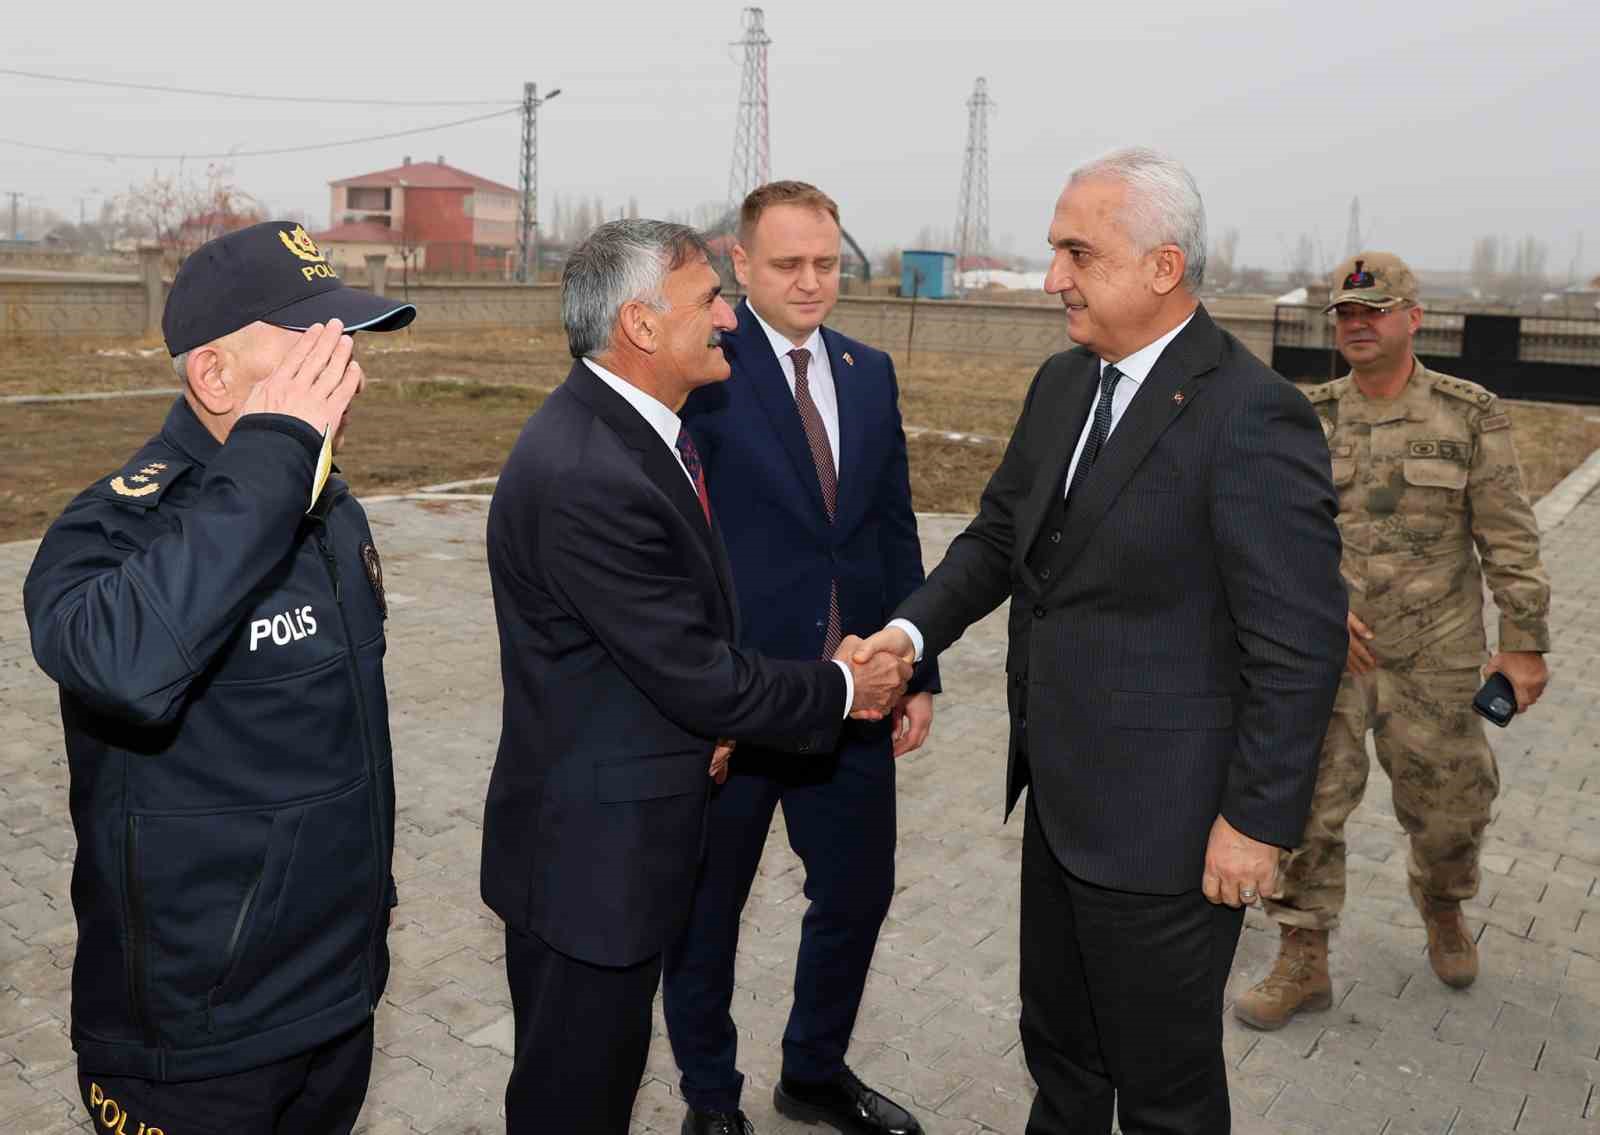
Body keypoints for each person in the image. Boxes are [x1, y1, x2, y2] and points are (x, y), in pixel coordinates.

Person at [853, 148, 1348, 1134]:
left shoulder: (1253, 414)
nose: (1053, 278)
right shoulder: (1064, 383)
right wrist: (907, 634)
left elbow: (1299, 646)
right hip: (1060, 798)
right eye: (1054, 251)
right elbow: (1000, 535)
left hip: (1171, 830)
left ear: (1163, 267)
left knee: (1163, 1088)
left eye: (1078, 253)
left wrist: (1256, 822)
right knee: (1063, 1053)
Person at [480, 218, 913, 1135]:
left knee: (595, 1086)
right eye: (709, 298)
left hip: (616, 835)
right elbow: (696, 672)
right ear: (640, 324)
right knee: (571, 1101)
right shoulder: (592, 471)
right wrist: (845, 688)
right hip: (588, 866)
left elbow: (655, 648)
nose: (726, 317)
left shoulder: (634, 435)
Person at [23, 221, 416, 1133]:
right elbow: (124, 662)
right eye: (315, 352)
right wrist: (276, 452)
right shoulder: (112, 531)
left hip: (335, 1001)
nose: (349, 378)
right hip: (195, 1047)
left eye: (348, 350)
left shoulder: (329, 511)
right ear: (214, 374)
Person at [662, 181, 938, 1135]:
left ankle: (813, 1072)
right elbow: (673, 536)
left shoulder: (868, 370)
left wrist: (918, 670)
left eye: (826, 262)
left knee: (857, 893)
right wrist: (696, 694)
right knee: (707, 912)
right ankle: (710, 1098)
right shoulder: (705, 366)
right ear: (740, 264)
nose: (812, 281)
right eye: (788, 264)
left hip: (853, 696)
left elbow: (891, 525)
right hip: (739, 702)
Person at [1235, 252, 1552, 1030]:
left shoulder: (1467, 413)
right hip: (1329, 654)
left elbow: (1508, 533)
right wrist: (1313, 610)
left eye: (1373, 311)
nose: (1357, 325)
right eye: (1345, 314)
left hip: (1436, 655)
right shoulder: (1304, 416)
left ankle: (1443, 904)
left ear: (1414, 318)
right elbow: (1268, 532)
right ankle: (1302, 951)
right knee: (1306, 802)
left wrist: (1523, 640)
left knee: (1451, 811)